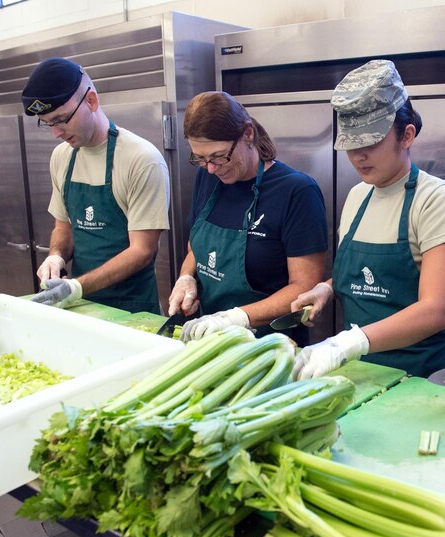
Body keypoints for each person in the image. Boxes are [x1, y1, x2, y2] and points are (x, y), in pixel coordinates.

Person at [292, 60, 445, 380]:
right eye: (352, 145)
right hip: (365, 372)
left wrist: (351, 341)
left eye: (371, 143)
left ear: (407, 135)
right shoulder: (357, 196)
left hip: (422, 377)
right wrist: (327, 289)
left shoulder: (437, 201)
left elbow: (436, 310)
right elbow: (367, 277)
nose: (358, 156)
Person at [172, 91, 327, 346]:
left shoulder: (297, 191)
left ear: (247, 134)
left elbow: (304, 285)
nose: (211, 168)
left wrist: (237, 317)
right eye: (201, 159)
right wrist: (186, 278)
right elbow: (197, 246)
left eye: (219, 156)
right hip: (209, 338)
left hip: (271, 346)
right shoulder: (207, 179)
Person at [22, 58, 170, 313]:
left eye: (62, 119)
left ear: (91, 101)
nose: (56, 132)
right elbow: (64, 227)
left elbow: (142, 251)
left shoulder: (141, 159)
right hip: (81, 306)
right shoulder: (62, 156)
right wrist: (55, 255)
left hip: (132, 312)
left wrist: (77, 287)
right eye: (47, 123)